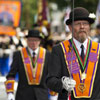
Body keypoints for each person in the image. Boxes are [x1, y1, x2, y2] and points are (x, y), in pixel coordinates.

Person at [46, 7, 100, 100]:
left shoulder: (98, 49)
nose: (82, 27)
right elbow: (50, 80)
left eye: (85, 23)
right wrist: (62, 83)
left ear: (89, 27)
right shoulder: (59, 50)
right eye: (78, 24)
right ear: (70, 27)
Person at [5, 29, 51, 100]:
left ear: (40, 41)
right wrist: (10, 92)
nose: (33, 43)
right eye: (31, 40)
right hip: (23, 95)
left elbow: (51, 75)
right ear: (27, 40)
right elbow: (11, 75)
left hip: (42, 95)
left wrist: (54, 93)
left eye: (36, 40)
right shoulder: (19, 54)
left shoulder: (47, 55)